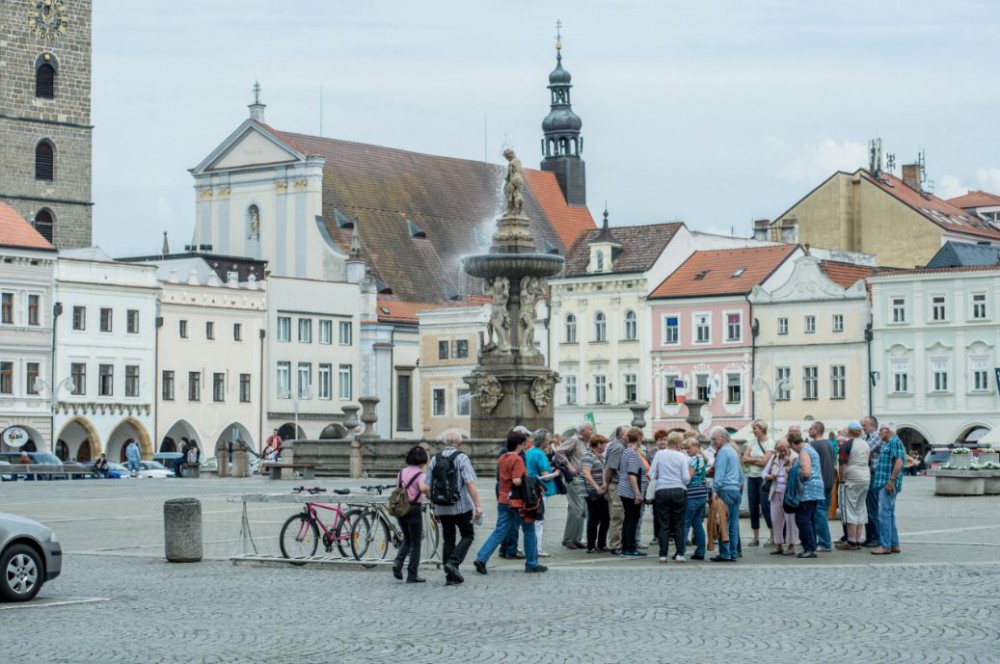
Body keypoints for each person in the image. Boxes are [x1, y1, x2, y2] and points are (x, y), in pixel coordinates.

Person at [474, 431, 546, 574]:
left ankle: (481, 558)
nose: (524, 447)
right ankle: (532, 563)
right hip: (517, 502)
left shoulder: (502, 458)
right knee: (529, 530)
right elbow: (516, 481)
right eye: (523, 444)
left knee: (499, 531)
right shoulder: (517, 459)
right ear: (518, 445)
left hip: (503, 500)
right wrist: (531, 480)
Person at [427, 430, 482, 586]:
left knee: (448, 539)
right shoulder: (462, 458)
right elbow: (470, 483)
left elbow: (428, 485)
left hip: (442, 506)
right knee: (468, 535)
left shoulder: (435, 459)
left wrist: (434, 507)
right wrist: (478, 505)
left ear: (444, 443)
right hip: (461, 506)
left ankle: (450, 576)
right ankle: (453, 562)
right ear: (460, 443)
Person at [649, 431, 691, 563]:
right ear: (678, 443)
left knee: (663, 524)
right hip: (679, 490)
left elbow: (651, 473)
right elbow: (686, 478)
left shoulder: (659, 454)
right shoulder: (682, 456)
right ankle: (680, 554)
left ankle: (662, 555)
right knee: (679, 524)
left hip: (662, 490)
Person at [392, 446, 431, 583]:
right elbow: (423, 488)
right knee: (415, 542)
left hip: (400, 508)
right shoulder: (420, 475)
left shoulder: (401, 472)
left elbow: (398, 488)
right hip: (413, 509)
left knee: (407, 538)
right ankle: (412, 574)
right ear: (423, 461)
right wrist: (430, 489)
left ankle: (398, 562)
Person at [554, 421, 591, 550]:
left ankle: (577, 539)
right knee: (577, 508)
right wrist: (569, 466)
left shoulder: (585, 442)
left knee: (582, 510)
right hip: (574, 479)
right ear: (583, 431)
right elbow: (559, 451)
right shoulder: (574, 439)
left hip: (582, 479)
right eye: (590, 429)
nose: (592, 431)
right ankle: (568, 539)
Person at [709, 427, 743, 563]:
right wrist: (736, 486)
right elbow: (741, 476)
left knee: (723, 523)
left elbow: (719, 475)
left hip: (725, 490)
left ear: (723, 437)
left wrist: (714, 490)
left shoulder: (723, 452)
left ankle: (725, 553)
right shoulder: (734, 452)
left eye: (715, 439)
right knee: (733, 525)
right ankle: (733, 553)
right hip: (735, 490)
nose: (713, 442)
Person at [871, 423, 905, 555]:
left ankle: (885, 545)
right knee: (889, 514)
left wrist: (892, 480)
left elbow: (899, 462)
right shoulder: (889, 443)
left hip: (887, 483)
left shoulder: (894, 442)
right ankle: (894, 544)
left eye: (881, 430)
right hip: (885, 483)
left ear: (888, 431)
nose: (879, 433)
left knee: (883, 514)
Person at [789, 431, 824, 558]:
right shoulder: (810, 448)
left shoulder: (804, 452)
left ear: (793, 443)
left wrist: (792, 470)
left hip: (808, 490)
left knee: (802, 519)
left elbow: (806, 473)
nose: (792, 450)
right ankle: (811, 547)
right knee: (810, 519)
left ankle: (809, 548)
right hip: (816, 489)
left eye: (791, 446)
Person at [524, 428, 559, 558]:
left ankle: (530, 547)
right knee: (539, 521)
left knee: (531, 520)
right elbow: (546, 476)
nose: (549, 441)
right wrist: (557, 473)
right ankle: (537, 549)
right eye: (548, 439)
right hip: (540, 490)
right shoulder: (540, 454)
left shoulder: (530, 451)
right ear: (542, 441)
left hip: (529, 488)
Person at [837, 421, 871, 550]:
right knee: (860, 509)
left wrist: (841, 480)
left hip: (852, 479)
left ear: (849, 431)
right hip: (865, 478)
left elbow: (842, 465)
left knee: (850, 509)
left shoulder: (847, 445)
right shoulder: (866, 444)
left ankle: (851, 541)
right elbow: (868, 462)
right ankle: (857, 539)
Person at [741, 419, 775, 547]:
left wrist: (751, 459)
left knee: (766, 506)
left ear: (762, 428)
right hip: (751, 477)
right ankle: (755, 538)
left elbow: (765, 462)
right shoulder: (752, 442)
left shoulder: (770, 443)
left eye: (755, 428)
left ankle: (772, 536)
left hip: (763, 478)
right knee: (753, 507)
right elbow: (744, 459)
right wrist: (757, 459)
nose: (753, 431)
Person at [616, 427, 648, 557]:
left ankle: (625, 547)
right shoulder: (634, 453)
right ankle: (630, 548)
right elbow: (632, 475)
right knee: (632, 520)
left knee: (628, 519)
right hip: (631, 492)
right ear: (639, 438)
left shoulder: (626, 451)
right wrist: (638, 493)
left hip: (624, 489)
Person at [763, 440, 797, 555]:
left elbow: (797, 475)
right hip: (775, 491)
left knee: (790, 520)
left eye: (784, 450)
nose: (782, 453)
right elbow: (763, 473)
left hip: (788, 493)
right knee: (776, 519)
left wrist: (789, 465)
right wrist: (770, 476)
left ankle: (791, 545)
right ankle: (778, 545)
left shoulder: (795, 457)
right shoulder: (774, 458)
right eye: (779, 451)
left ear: (788, 447)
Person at [808, 421, 836, 552]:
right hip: (829, 481)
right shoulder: (829, 444)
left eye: (811, 428)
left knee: (819, 513)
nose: (809, 430)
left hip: (819, 483)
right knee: (822, 512)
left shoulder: (814, 445)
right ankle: (823, 541)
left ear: (817, 430)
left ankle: (825, 543)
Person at [603, 424, 628, 555]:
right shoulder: (618, 447)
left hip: (619, 485)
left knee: (619, 515)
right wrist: (606, 485)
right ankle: (615, 545)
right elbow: (610, 468)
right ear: (622, 435)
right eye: (628, 433)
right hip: (616, 484)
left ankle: (618, 543)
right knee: (617, 516)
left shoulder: (621, 446)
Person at [682, 438, 709, 560]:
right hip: (702, 495)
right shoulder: (701, 458)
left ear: (696, 446)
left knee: (685, 524)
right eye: (685, 449)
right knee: (697, 524)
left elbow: (689, 477)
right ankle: (701, 551)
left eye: (689, 448)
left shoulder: (693, 459)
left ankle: (680, 551)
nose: (687, 451)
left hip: (692, 495)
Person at [581, 435, 609, 553]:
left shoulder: (601, 457)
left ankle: (602, 544)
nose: (605, 445)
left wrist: (604, 484)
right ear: (598, 444)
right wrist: (596, 486)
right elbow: (586, 473)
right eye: (604, 443)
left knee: (606, 518)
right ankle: (591, 545)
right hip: (593, 492)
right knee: (594, 518)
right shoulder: (589, 456)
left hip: (603, 491)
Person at [862, 415, 882, 547]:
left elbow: (864, 451)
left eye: (865, 425)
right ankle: (869, 537)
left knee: (872, 507)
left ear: (872, 426)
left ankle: (875, 538)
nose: (863, 427)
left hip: (874, 475)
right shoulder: (866, 438)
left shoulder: (875, 437)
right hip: (868, 475)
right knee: (867, 508)